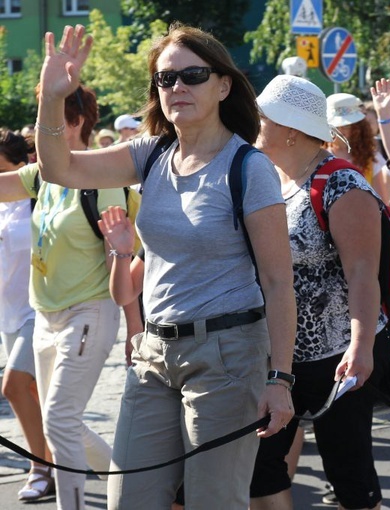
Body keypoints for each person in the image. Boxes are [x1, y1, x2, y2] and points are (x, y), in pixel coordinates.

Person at [34, 23, 296, 509]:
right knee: (128, 500)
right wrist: (52, 99)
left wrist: (280, 379)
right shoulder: (151, 153)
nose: (177, 87)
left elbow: (280, 282)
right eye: (165, 79)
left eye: (192, 75)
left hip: (228, 356)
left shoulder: (248, 167)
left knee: (211, 502)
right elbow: (58, 169)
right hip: (152, 354)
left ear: (223, 85)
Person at [249, 74, 389, 510]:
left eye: (262, 118)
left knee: (347, 471)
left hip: (338, 357)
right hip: (282, 355)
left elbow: (364, 274)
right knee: (260, 466)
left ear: (290, 131)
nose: (253, 124)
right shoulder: (270, 178)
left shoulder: (344, 185)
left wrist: (362, 347)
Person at [0, 83, 140, 510]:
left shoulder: (105, 180)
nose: (38, 129)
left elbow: (123, 260)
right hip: (45, 317)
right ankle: (136, 488)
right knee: (63, 422)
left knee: (59, 419)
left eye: (50, 116)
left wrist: (135, 329)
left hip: (89, 312)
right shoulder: (41, 174)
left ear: (76, 122)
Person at [0, 129, 54, 502]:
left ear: (24, 166)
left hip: (40, 309)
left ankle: (39, 467)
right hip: (8, 313)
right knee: (36, 394)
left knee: (13, 385)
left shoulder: (40, 199)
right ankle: (57, 460)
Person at [325, 93, 390, 199]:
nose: (340, 130)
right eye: (335, 126)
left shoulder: (370, 157)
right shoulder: (318, 155)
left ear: (357, 128)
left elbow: (381, 200)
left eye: (346, 126)